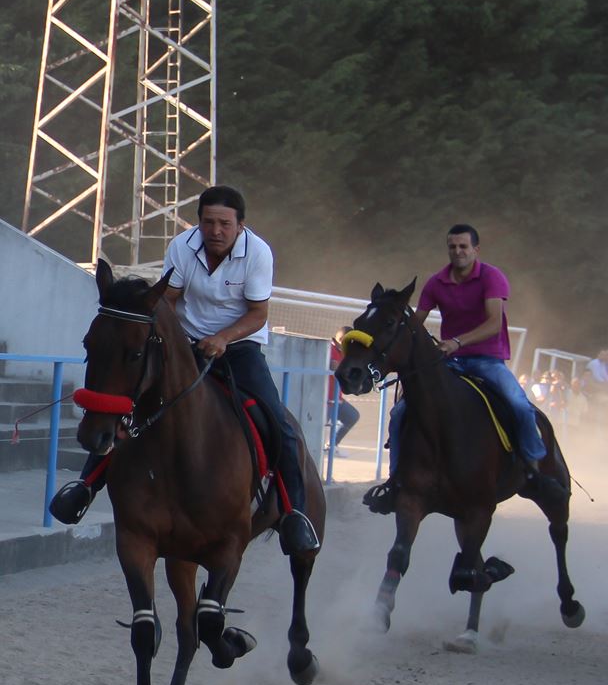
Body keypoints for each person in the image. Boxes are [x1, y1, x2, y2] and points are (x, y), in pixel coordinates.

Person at [50, 185, 320, 555]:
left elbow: (258, 313)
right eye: (208, 222)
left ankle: (294, 514)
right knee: (128, 404)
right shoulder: (182, 247)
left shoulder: (258, 253)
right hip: (186, 345)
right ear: (199, 223)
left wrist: (224, 338)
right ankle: (84, 486)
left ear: (240, 225)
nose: (216, 231)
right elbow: (169, 300)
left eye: (225, 223)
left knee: (278, 422)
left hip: (239, 348)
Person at [364, 223, 568, 513]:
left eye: (463, 246)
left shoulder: (491, 277)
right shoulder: (436, 283)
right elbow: (413, 325)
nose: (457, 252)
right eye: (452, 246)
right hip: (449, 362)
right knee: (399, 414)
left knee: (519, 405)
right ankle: (396, 481)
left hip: (487, 360)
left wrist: (457, 342)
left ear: (475, 250)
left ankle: (534, 471)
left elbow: (494, 323)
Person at [325, 326, 361, 457]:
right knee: (319, 426)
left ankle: (332, 445)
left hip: (337, 399)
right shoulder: (329, 349)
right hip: (326, 400)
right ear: (341, 340)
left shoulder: (343, 353)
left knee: (352, 416)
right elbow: (334, 367)